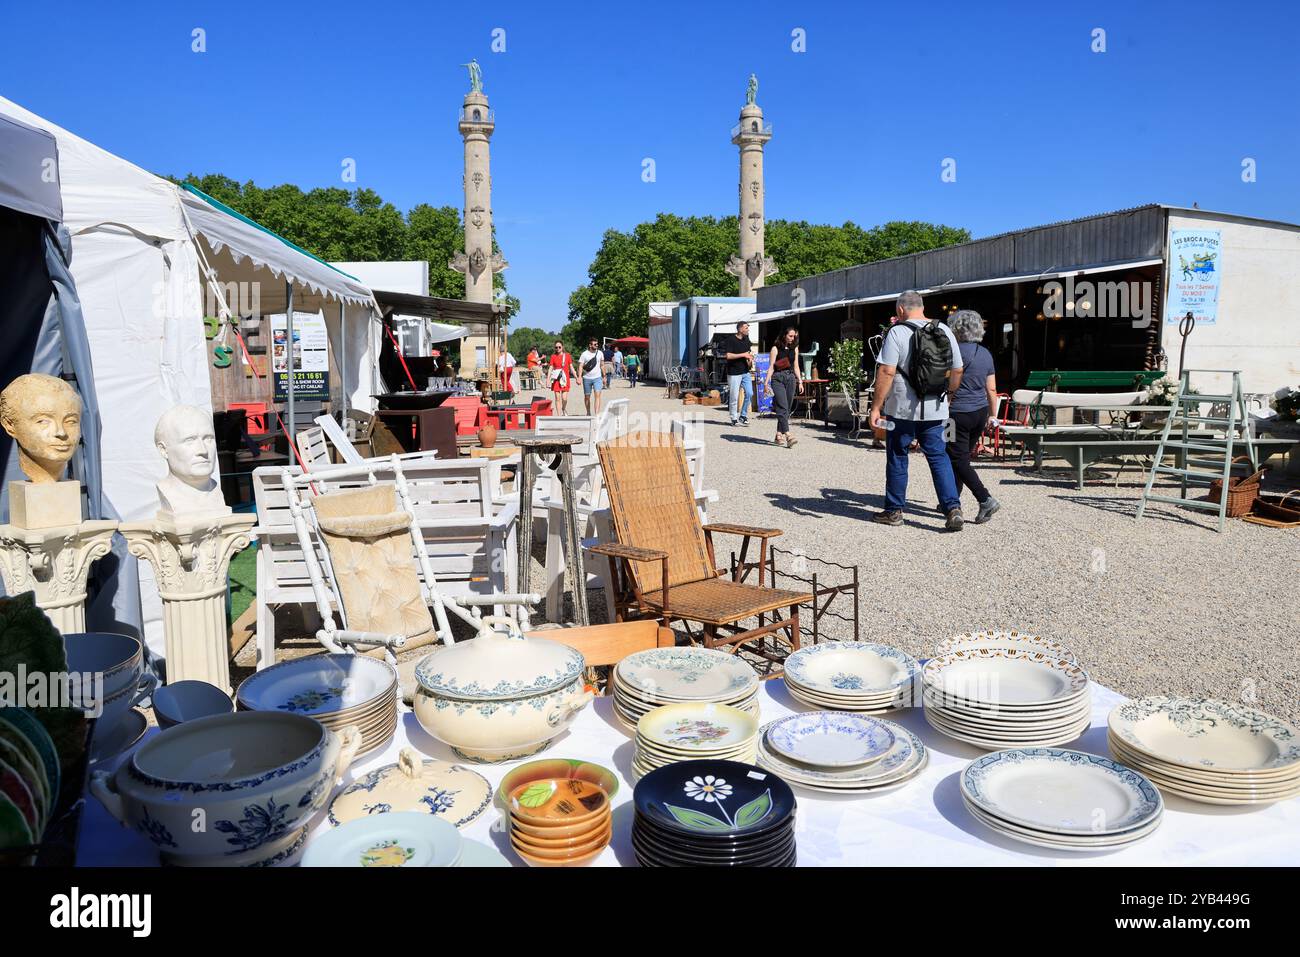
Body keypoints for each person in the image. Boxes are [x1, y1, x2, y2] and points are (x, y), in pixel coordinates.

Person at [869, 290, 965, 532]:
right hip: (936, 407)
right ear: (921, 307)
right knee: (938, 456)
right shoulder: (944, 331)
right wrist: (948, 397)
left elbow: (886, 372)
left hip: (901, 409)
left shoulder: (897, 332)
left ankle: (894, 511)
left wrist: (876, 407)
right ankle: (953, 508)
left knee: (898, 454)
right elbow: (958, 370)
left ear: (901, 309)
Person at [946, 310, 1002, 523]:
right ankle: (952, 500)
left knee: (956, 457)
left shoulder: (952, 352)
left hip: (955, 414)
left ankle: (985, 498)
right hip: (979, 413)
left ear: (956, 328)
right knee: (961, 457)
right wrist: (993, 415)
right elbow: (992, 390)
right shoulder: (985, 353)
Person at [763, 326, 803, 448]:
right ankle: (788, 435)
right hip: (777, 378)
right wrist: (766, 382)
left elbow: (796, 366)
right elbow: (771, 367)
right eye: (790, 336)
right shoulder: (775, 348)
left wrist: (800, 381)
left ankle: (778, 434)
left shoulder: (794, 348)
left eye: (794, 336)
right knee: (782, 406)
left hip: (790, 378)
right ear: (784, 335)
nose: (792, 338)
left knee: (787, 408)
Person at [722, 320, 755, 427]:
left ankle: (743, 415)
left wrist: (750, 360)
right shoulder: (731, 340)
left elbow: (748, 354)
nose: (748, 330)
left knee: (750, 393)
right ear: (740, 329)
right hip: (734, 372)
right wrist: (743, 355)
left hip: (745, 372)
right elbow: (728, 356)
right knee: (734, 396)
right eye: (746, 328)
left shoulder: (746, 340)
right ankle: (733, 417)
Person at [578, 337, 604, 415]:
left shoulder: (600, 353)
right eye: (595, 344)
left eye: (597, 344)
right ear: (590, 345)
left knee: (597, 395)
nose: (596, 345)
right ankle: (588, 412)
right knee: (587, 397)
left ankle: (596, 415)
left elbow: (602, 365)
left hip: (597, 378)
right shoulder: (584, 354)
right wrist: (579, 377)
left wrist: (604, 376)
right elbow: (580, 366)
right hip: (587, 378)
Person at [548, 340, 574, 414]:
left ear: (562, 347)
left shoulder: (567, 356)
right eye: (556, 347)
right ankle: (559, 415)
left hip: (565, 379)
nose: (558, 348)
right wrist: (548, 380)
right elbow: (550, 368)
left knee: (564, 398)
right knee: (557, 398)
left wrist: (576, 377)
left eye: (559, 347)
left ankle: (563, 408)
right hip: (556, 379)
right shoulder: (553, 356)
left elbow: (571, 367)